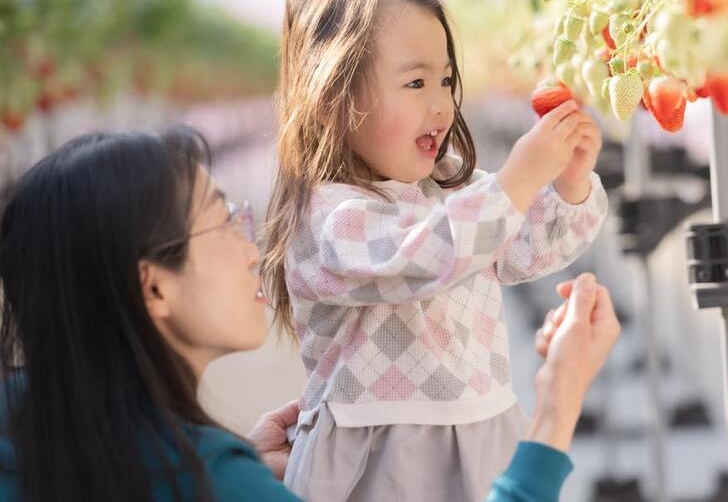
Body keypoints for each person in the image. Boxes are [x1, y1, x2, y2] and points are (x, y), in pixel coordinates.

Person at [0, 127, 620, 502]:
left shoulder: (32, 429)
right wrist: (557, 408)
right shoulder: (212, 481)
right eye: (225, 220)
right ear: (154, 288)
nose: (254, 247)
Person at [260, 0, 608, 501]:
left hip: (485, 432)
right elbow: (423, 255)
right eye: (416, 82)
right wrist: (518, 178)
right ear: (333, 99)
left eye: (446, 80)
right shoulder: (331, 218)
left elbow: (523, 247)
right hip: (386, 464)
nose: (442, 104)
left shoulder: (450, 190)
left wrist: (569, 182)